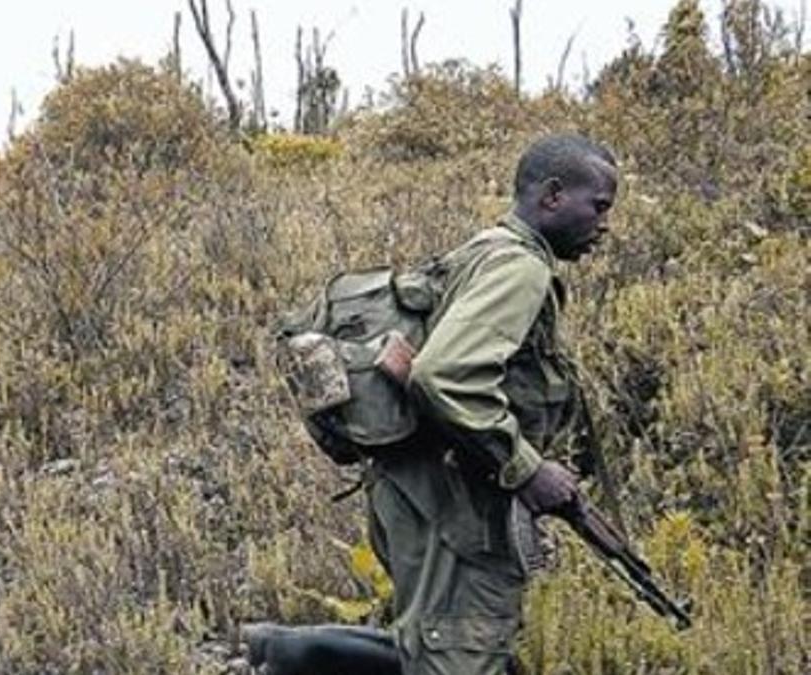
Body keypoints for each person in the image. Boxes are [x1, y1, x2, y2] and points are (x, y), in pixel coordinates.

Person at [245, 133, 619, 674]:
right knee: (461, 655)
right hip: (451, 504)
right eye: (599, 206)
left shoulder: (484, 250)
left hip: (419, 491)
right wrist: (528, 468)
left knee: (446, 646)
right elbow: (448, 375)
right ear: (554, 196)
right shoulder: (520, 268)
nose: (604, 225)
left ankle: (294, 654)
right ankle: (295, 658)